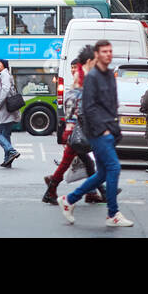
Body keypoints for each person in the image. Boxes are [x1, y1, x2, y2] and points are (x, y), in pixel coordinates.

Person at [59, 40, 133, 228]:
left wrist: (115, 129)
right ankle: (113, 214)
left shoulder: (108, 74)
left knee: (101, 174)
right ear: (97, 55)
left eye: (110, 51)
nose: (108, 54)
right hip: (98, 132)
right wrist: (104, 130)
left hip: (108, 130)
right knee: (114, 168)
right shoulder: (91, 77)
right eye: (104, 51)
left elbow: (111, 104)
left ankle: (69, 200)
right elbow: (88, 108)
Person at [43, 46, 104, 204]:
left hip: (77, 130)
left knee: (79, 163)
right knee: (82, 162)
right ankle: (98, 192)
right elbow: (77, 104)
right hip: (79, 131)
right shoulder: (82, 77)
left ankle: (96, 192)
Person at [0, 58, 22, 167]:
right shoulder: (3, 75)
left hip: (4, 109)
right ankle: (7, 159)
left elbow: (6, 89)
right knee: (5, 134)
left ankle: (11, 151)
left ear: (4, 65)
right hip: (8, 110)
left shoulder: (4, 75)